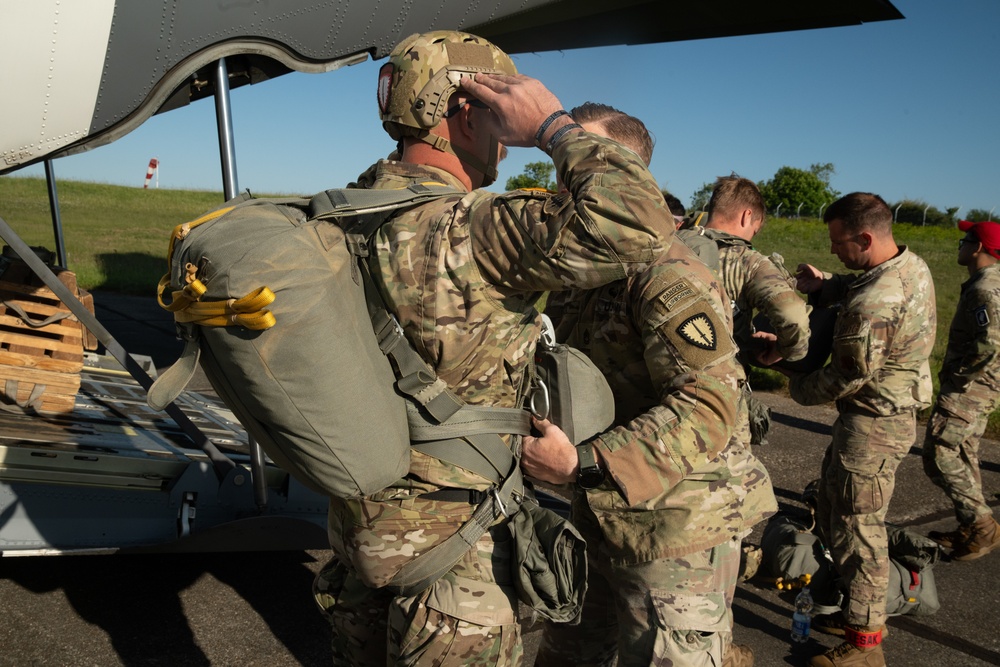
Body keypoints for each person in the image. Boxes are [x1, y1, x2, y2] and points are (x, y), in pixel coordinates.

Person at [310, 32, 676, 667]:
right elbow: (643, 220)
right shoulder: (479, 227)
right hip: (455, 559)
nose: (507, 139)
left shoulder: (340, 214)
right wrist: (554, 127)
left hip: (359, 537)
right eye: (499, 111)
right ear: (467, 112)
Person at [531, 102, 776, 667]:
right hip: (601, 516)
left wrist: (581, 464)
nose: (570, 178)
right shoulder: (582, 269)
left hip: (676, 527)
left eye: (585, 160)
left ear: (627, 174)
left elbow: (710, 407)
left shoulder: (665, 271)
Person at [784, 193, 936, 667]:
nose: (832, 251)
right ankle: (853, 607)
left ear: (865, 237)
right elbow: (861, 282)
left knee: (858, 531)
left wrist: (793, 381)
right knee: (832, 510)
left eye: (837, 242)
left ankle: (866, 645)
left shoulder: (877, 301)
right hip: (881, 418)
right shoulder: (907, 267)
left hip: (871, 427)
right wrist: (827, 284)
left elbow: (843, 376)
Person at [923, 219, 1000, 560]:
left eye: (965, 239)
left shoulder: (985, 289)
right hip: (982, 389)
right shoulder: (988, 284)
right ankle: (971, 531)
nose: (960, 244)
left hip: (970, 390)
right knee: (965, 455)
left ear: (979, 247)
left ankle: (982, 525)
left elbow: (992, 347)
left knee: (938, 456)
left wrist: (959, 378)